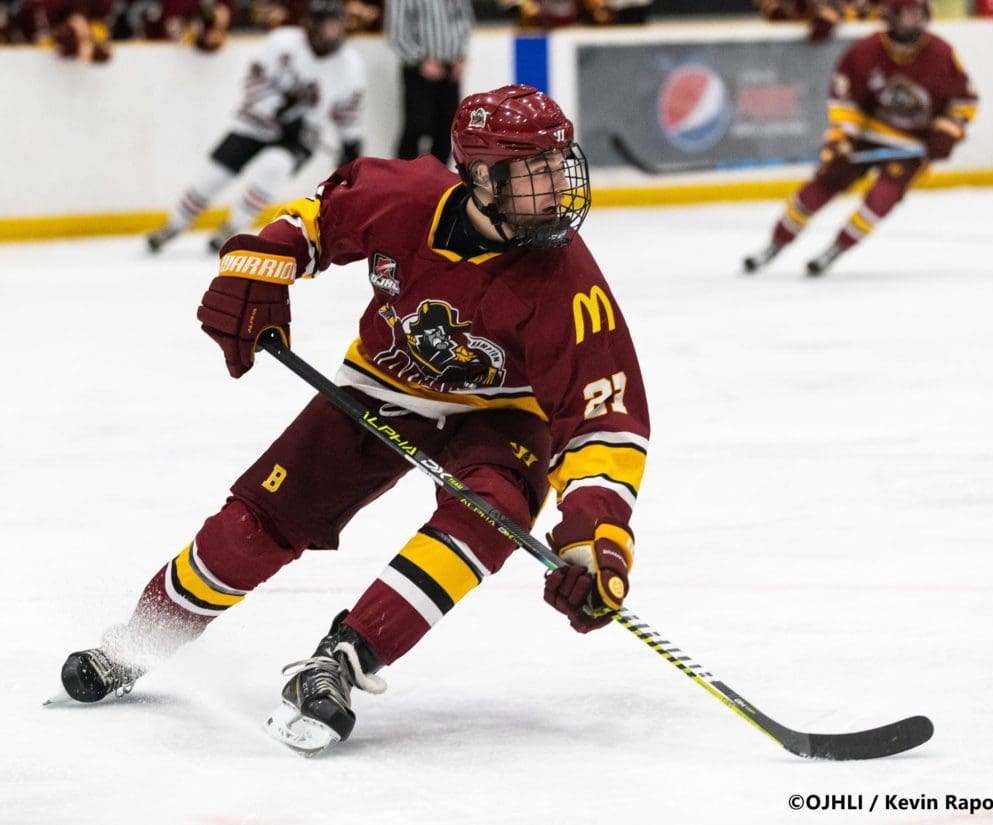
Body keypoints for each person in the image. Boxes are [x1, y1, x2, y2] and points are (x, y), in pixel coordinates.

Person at [59, 84, 651, 756]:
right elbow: (311, 222)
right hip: (382, 386)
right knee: (252, 529)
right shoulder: (402, 198)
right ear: (483, 176)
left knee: (492, 511)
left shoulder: (567, 281)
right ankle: (141, 638)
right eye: (535, 172)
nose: (557, 190)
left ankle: (344, 659)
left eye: (557, 166)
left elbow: (608, 420)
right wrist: (259, 267)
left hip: (505, 414)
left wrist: (597, 534)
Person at [743, 0, 978, 276]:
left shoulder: (941, 52)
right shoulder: (865, 52)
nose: (915, 21)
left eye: (919, 14)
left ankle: (837, 247)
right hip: (867, 136)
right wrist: (840, 139)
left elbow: (964, 100)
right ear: (890, 16)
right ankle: (776, 243)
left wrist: (949, 129)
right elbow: (847, 104)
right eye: (908, 14)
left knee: (881, 197)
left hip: (910, 146)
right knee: (824, 183)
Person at [146, 0, 365, 254]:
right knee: (214, 175)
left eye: (337, 27)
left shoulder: (351, 64)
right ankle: (174, 223)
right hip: (255, 123)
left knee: (275, 167)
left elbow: (347, 110)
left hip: (301, 136)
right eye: (328, 27)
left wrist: (351, 144)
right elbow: (253, 80)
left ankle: (232, 227)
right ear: (312, 25)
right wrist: (276, 108)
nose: (333, 33)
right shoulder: (283, 42)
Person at [386, 0, 474, 164]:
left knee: (447, 129)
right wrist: (420, 60)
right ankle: (404, 179)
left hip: (450, 69)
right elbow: (396, 33)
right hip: (418, 71)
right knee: (416, 127)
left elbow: (465, 21)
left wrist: (460, 55)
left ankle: (437, 180)